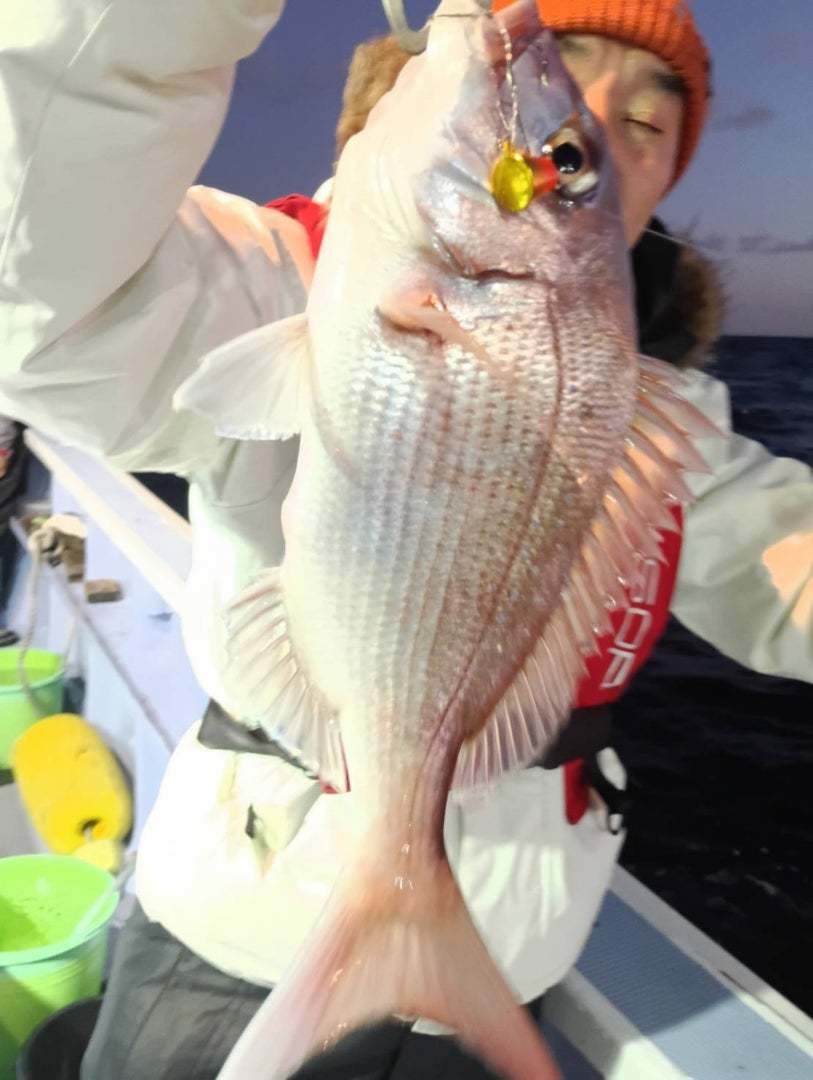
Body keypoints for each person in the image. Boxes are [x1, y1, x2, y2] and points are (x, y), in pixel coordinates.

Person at [0, 1, 810, 1078]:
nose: (597, 129)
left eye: (646, 126)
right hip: (241, 935)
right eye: (570, 106)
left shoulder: (664, 424)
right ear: (402, 86)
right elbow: (35, 300)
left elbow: (786, 564)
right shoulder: (271, 280)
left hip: (505, 959)